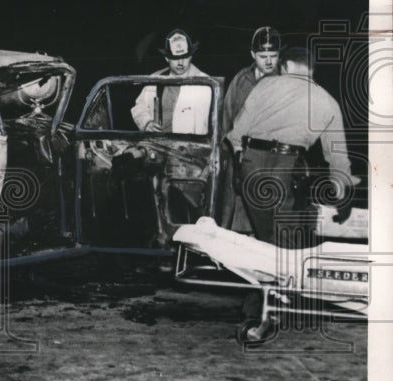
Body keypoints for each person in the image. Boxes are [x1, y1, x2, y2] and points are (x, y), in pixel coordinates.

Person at [226, 46, 353, 247]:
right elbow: (337, 159)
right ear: (311, 68)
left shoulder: (264, 85)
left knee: (265, 240)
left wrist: (242, 165)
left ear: (286, 66)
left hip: (252, 166)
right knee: (285, 242)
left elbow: (236, 134)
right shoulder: (328, 101)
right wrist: (342, 197)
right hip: (288, 168)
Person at [216, 26, 282, 231]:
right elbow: (226, 119)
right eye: (263, 56)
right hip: (239, 159)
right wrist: (227, 154)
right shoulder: (241, 80)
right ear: (253, 54)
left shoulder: (288, 82)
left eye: (274, 55)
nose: (269, 61)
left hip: (273, 161)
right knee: (234, 219)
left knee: (268, 221)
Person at [130, 29, 211, 135]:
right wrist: (146, 123)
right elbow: (139, 106)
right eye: (175, 58)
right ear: (167, 58)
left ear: (191, 56)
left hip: (189, 146)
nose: (181, 63)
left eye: (185, 57)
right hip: (159, 143)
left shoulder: (205, 83)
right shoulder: (156, 78)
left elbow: (207, 124)